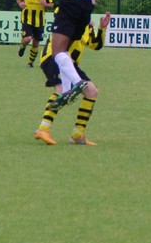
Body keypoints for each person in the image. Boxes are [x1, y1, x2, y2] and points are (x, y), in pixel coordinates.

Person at [33, 12, 111, 146]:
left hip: (71, 64)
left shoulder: (86, 25)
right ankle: (43, 129)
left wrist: (102, 28)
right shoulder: (70, 14)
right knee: (61, 89)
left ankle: (77, 134)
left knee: (92, 92)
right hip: (53, 57)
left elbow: (95, 45)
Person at [16, 0, 54, 67]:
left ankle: (30, 63)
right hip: (27, 18)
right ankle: (22, 45)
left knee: (36, 43)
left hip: (39, 21)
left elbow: (51, 4)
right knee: (28, 38)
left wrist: (46, 4)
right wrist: (20, 3)